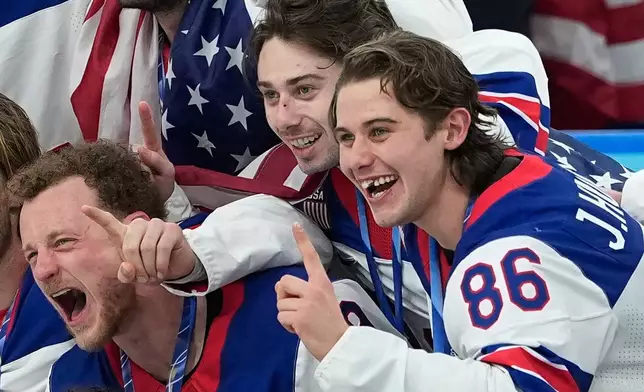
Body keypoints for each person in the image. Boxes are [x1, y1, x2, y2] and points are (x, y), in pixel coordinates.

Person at [283, 29, 644, 391]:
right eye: (346, 137)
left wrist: (344, 348)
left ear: (453, 129)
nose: (356, 160)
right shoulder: (510, 182)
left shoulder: (510, 251)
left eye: (379, 131)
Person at [0, 94, 333, 391]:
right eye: (32, 254)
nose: (41, 271)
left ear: (136, 234)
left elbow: (295, 229)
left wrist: (189, 251)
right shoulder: (68, 380)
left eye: (62, 242)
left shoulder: (290, 324)